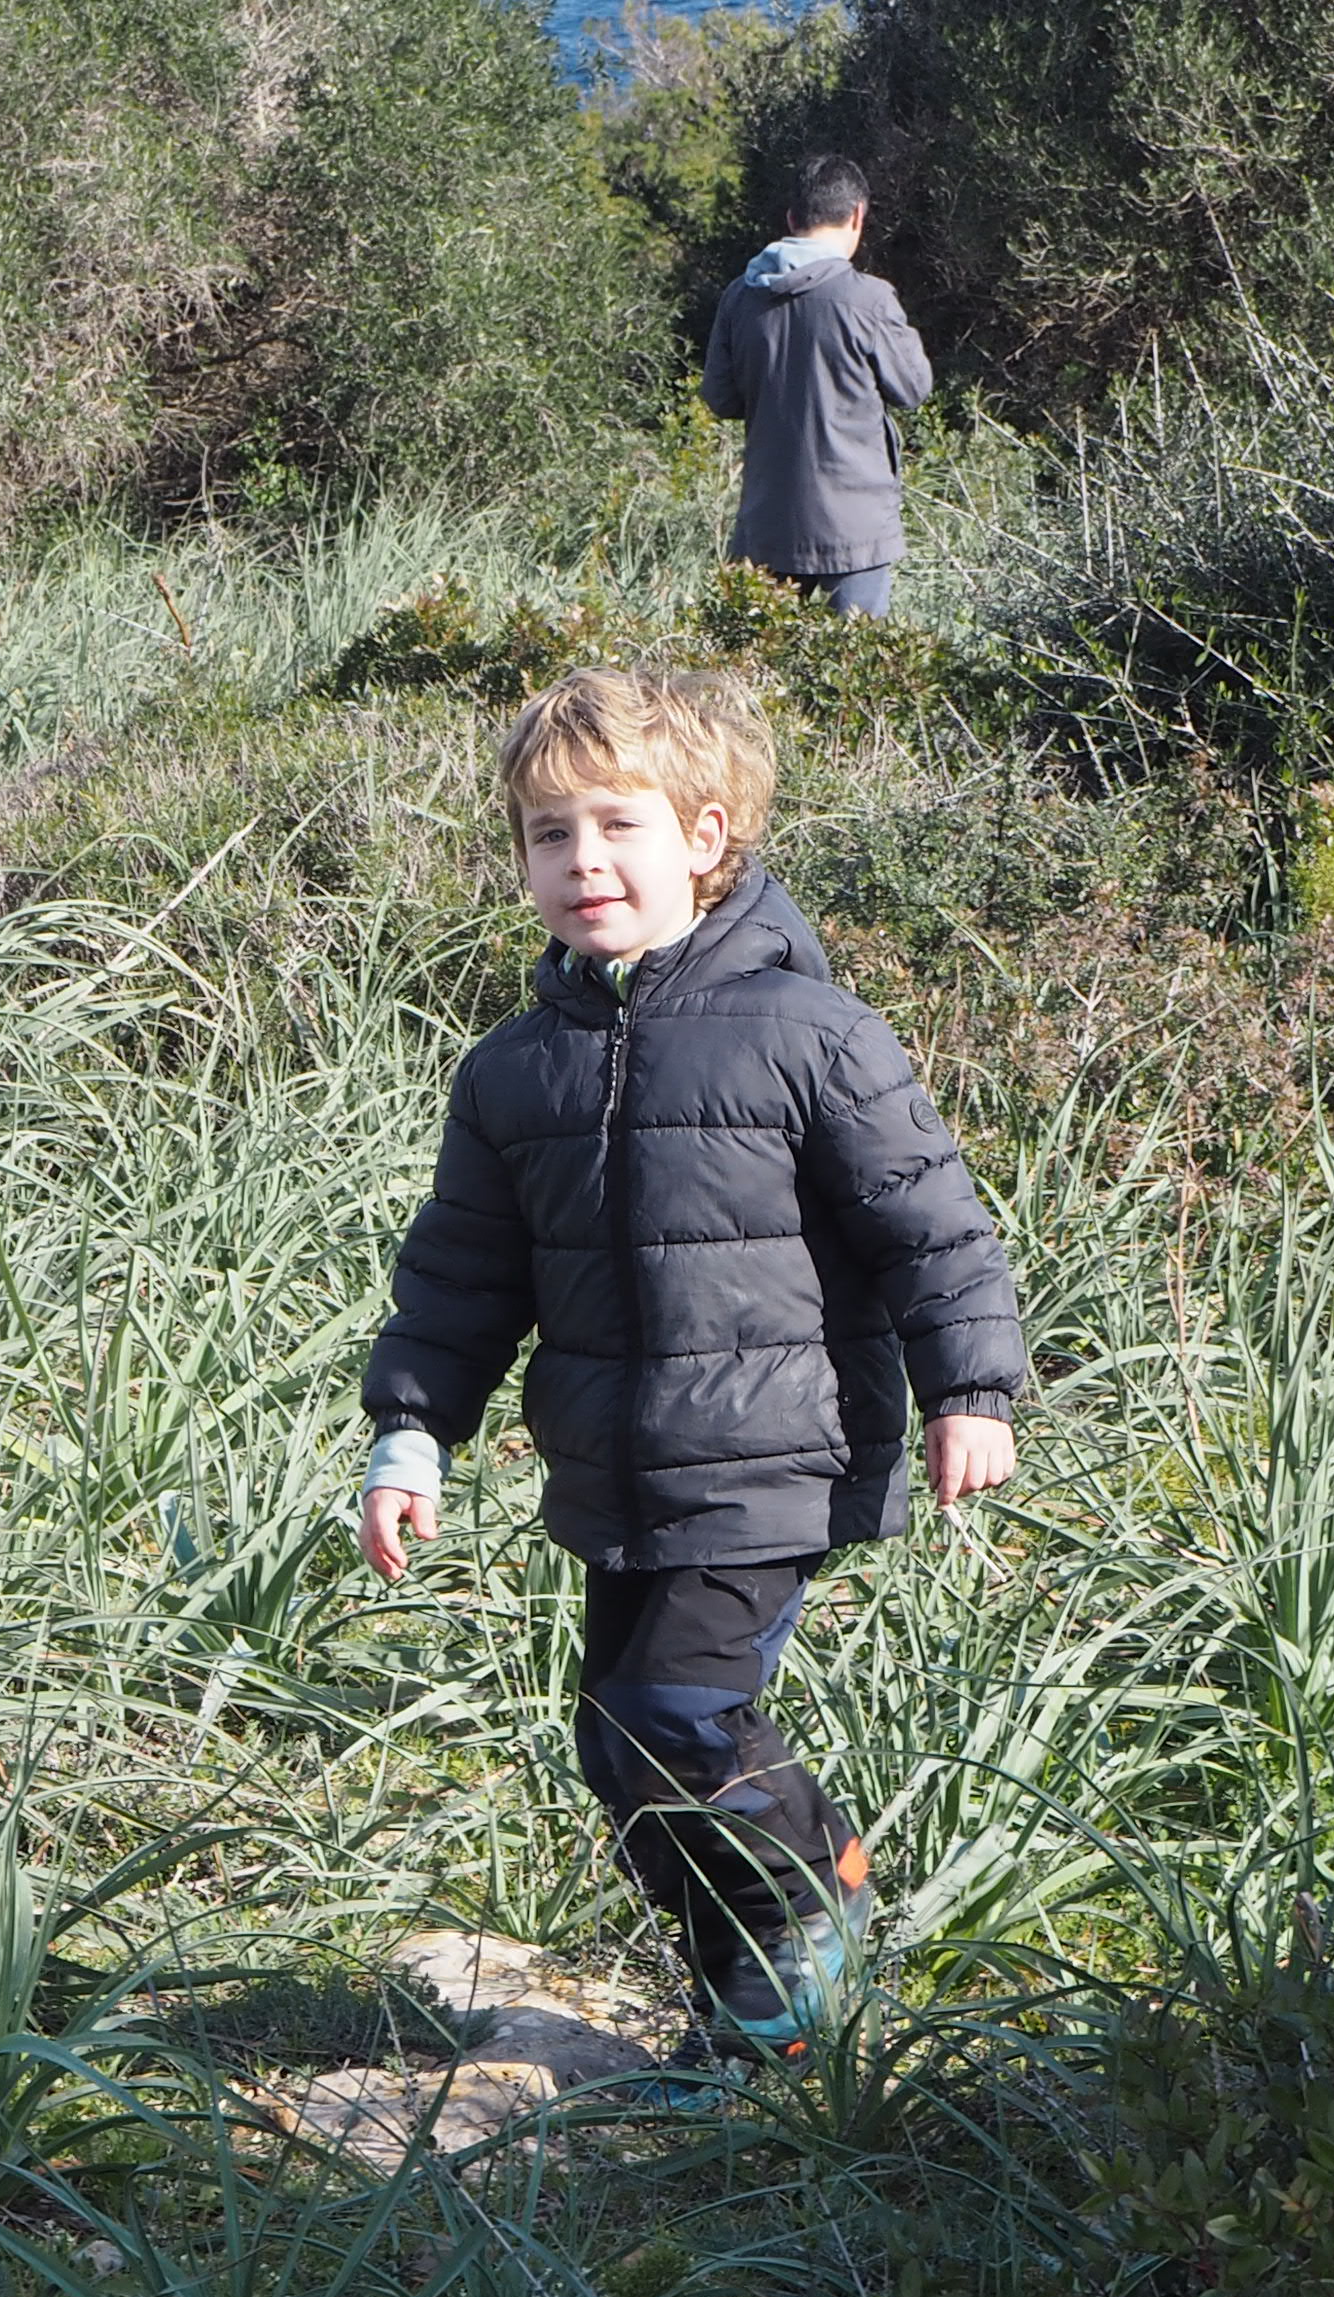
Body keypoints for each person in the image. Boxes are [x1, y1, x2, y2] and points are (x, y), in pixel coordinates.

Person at [355, 665, 1021, 2064]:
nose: (582, 861)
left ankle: (813, 1904)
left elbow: (933, 1226)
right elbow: (463, 1279)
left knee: (678, 1712)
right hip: (619, 1463)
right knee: (619, 1743)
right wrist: (411, 1433)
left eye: (618, 825)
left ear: (708, 839)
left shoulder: (808, 1033)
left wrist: (971, 1390)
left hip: (782, 1450)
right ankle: (751, 2002)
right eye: (548, 835)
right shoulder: (513, 1071)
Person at [702, 151, 934, 619]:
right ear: (857, 215)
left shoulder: (739, 296)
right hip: (854, 533)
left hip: (765, 525)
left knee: (755, 673)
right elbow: (913, 389)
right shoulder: (867, 299)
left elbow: (720, 398)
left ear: (791, 219)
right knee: (853, 676)